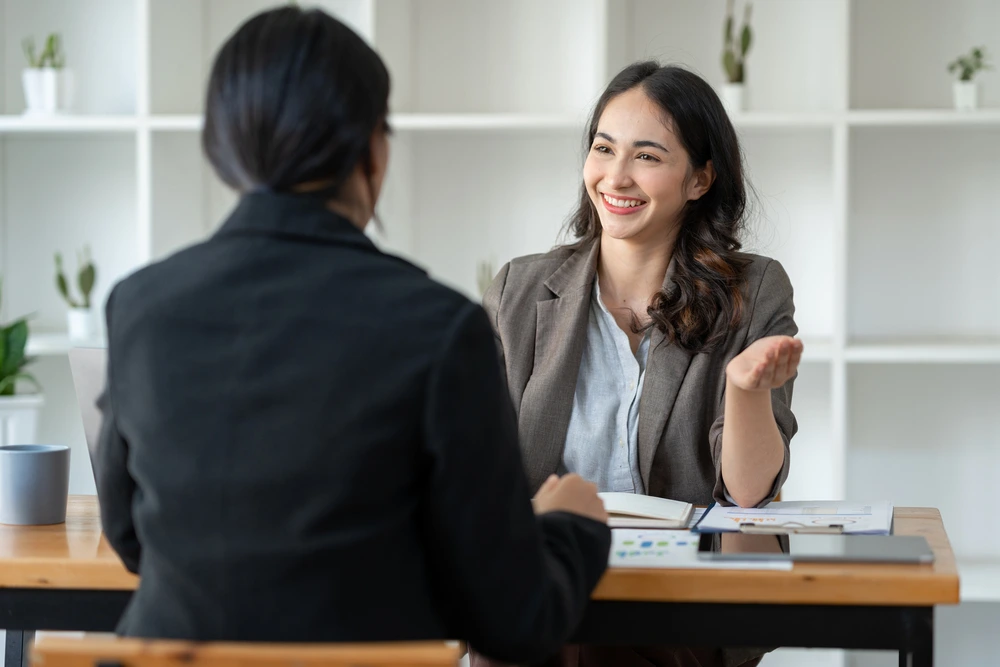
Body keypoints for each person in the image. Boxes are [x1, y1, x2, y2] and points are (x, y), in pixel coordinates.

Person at [94, 7, 611, 664]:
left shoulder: (140, 306)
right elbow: (513, 618)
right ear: (373, 147)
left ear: (220, 145)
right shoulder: (439, 327)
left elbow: (131, 535)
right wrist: (571, 528)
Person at [473, 62, 803, 667]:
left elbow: (750, 497)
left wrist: (744, 390)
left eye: (648, 157)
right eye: (603, 149)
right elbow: (478, 477)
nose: (616, 177)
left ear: (700, 179)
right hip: (544, 594)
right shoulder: (519, 290)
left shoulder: (753, 291)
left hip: (678, 609)